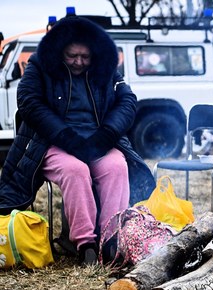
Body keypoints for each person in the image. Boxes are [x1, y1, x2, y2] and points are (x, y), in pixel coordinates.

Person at [0, 16, 155, 265]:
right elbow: (29, 102)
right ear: (61, 50)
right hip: (54, 142)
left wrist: (105, 135)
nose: (79, 62)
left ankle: (111, 238)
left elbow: (127, 102)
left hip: (98, 141)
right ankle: (86, 245)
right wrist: (66, 137)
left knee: (117, 167)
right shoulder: (39, 66)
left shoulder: (105, 68)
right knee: (75, 170)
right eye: (72, 56)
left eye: (85, 57)